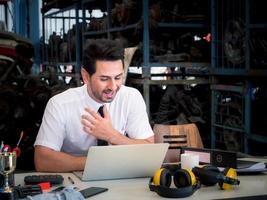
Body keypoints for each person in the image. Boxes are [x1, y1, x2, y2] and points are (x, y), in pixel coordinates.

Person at [34, 39, 154, 172]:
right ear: (85, 76)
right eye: (104, 79)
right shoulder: (60, 104)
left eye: (118, 78)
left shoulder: (131, 97)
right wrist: (96, 164)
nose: (113, 87)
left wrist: (113, 136)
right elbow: (42, 160)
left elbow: (149, 149)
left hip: (120, 177)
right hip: (75, 181)